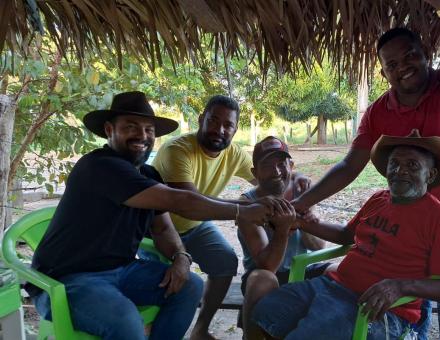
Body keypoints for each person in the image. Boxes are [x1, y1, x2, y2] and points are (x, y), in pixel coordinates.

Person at [292, 1, 440, 338]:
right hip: (407, 225)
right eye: (393, 64)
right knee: (414, 307)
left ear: (425, 54)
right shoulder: (377, 113)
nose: (404, 66)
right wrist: (301, 204)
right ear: (384, 73)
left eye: (411, 55)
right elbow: (349, 165)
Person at [29, 91, 273, 340]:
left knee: (190, 286)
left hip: (121, 270)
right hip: (68, 279)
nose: (142, 136)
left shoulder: (147, 174)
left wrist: (180, 257)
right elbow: (181, 201)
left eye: (149, 129)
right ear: (109, 129)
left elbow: (163, 229)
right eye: (131, 127)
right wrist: (242, 211)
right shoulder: (100, 166)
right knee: (125, 320)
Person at [253, 132, 440, 340]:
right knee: (265, 311)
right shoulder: (378, 200)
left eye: (412, 165)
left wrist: (401, 286)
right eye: (394, 164)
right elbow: (346, 235)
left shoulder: (439, 218)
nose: (400, 170)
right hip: (335, 287)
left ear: (430, 175)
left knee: (307, 334)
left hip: (378, 310)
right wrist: (299, 223)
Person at [151, 95, 309, 339]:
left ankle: (200, 329)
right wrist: (246, 208)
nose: (220, 129)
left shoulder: (233, 153)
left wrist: (295, 178)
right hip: (160, 228)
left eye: (228, 125)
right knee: (168, 283)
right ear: (201, 119)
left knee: (225, 261)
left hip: (196, 225)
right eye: (214, 121)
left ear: (235, 130)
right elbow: (189, 204)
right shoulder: (178, 150)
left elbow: (266, 179)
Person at [237, 136, 329, 339]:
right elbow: (266, 266)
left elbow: (319, 246)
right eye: (267, 166)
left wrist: (305, 223)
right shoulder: (247, 204)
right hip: (266, 275)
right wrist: (283, 228)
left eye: (281, 164)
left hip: (301, 270)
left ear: (291, 165)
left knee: (337, 271)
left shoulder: (301, 191)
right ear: (255, 173)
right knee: (261, 279)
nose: (277, 171)